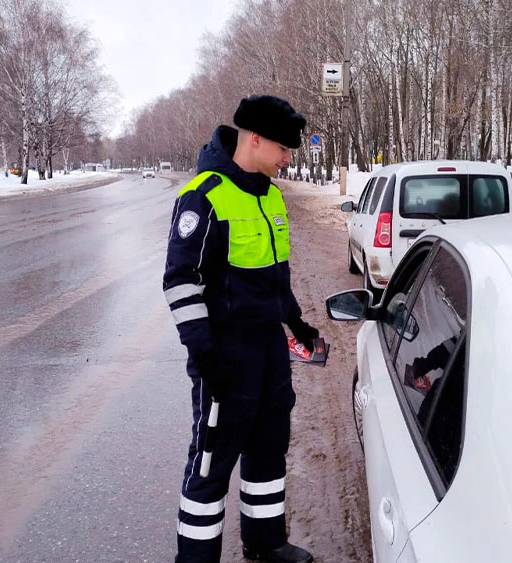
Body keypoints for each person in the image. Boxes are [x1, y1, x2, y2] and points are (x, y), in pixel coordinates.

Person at [163, 94, 320, 563]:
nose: (288, 158)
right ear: (255, 139)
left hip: (270, 349)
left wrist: (294, 321)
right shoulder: (204, 195)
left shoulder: (271, 196)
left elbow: (274, 274)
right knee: (211, 463)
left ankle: (265, 541)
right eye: (283, 148)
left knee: (269, 449)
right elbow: (179, 282)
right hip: (226, 355)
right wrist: (206, 354)